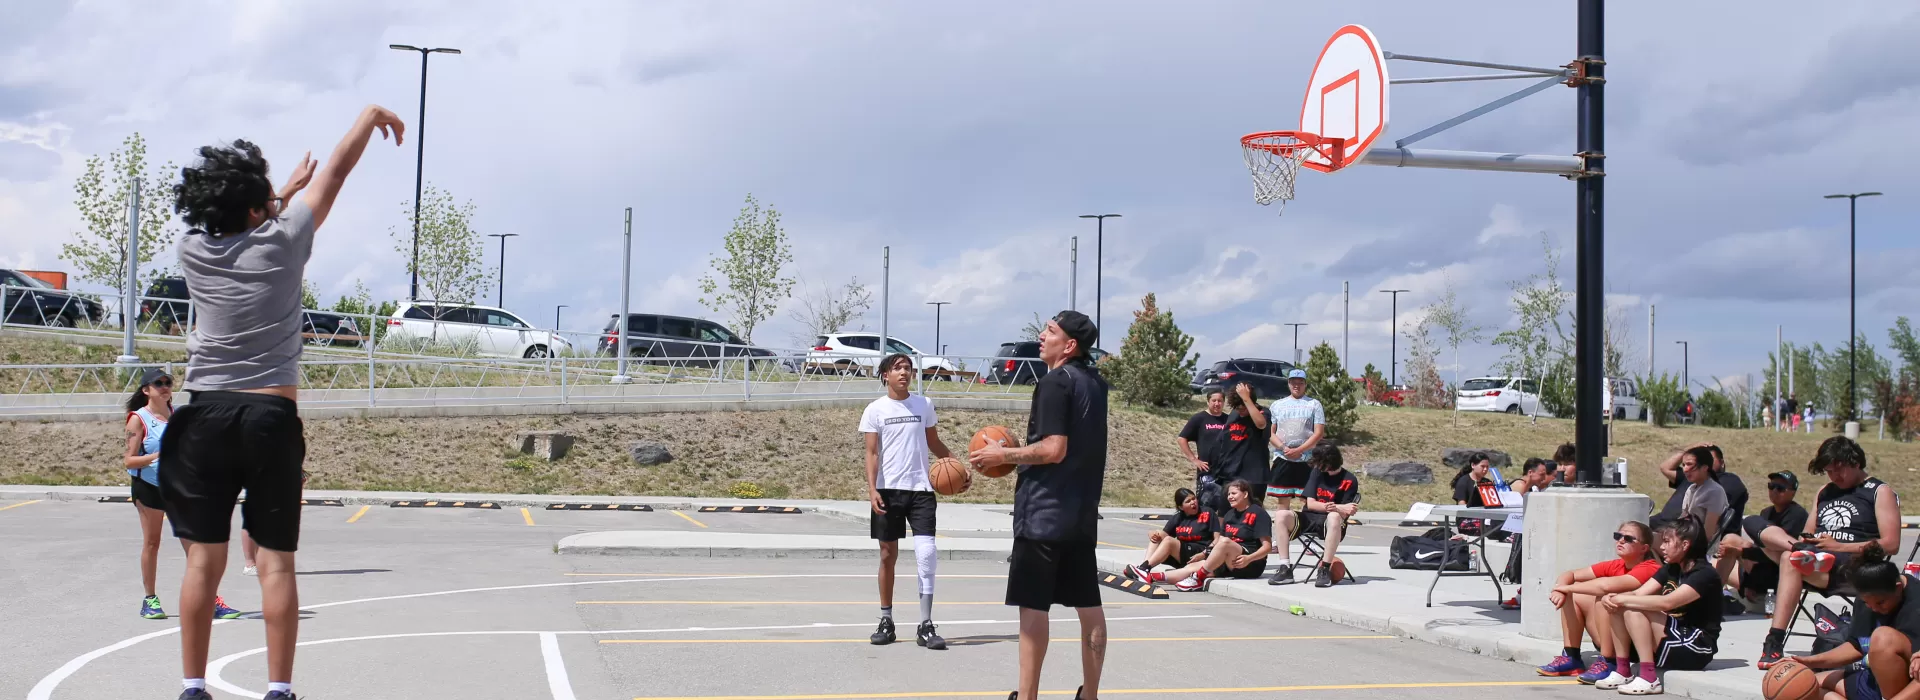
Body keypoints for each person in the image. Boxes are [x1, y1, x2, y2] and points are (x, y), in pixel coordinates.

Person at [164, 104, 404, 700]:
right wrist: (368, 115)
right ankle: (278, 689)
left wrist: (273, 194)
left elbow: (245, 213)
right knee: (276, 563)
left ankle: (193, 686)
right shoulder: (286, 239)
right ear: (257, 208)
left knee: (202, 564)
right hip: (269, 416)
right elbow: (337, 174)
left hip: (201, 415)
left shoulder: (190, 250)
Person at [969, 310, 1108, 700]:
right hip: (1081, 514)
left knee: (1033, 608)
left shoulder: (1054, 383)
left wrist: (1005, 454)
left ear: (1069, 346)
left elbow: (1053, 449)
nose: (1041, 336)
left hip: (1043, 514)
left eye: (1050, 331)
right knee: (1089, 606)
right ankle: (1090, 695)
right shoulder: (1096, 384)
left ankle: (1026, 696)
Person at [1758, 437, 1901, 669]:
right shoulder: (1825, 492)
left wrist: (1838, 546)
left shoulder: (1878, 491)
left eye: (1838, 470)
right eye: (1828, 471)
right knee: (1758, 528)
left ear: (1855, 462)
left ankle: (1773, 641)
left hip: (1856, 567)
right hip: (1817, 562)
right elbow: (1808, 531)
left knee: (1788, 559)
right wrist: (1809, 541)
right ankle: (1804, 557)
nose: (1834, 476)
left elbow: (1891, 544)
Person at [124, 368, 242, 622]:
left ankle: (211, 600)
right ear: (147, 390)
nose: (165, 387)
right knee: (152, 543)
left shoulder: (178, 416)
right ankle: (150, 600)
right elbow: (129, 461)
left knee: (196, 547)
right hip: (149, 487)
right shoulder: (138, 419)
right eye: (159, 383)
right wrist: (157, 456)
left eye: (168, 382)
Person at [862, 353, 956, 650]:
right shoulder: (874, 410)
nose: (904, 373)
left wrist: (956, 465)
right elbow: (872, 453)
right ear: (885, 375)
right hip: (888, 490)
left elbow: (933, 442)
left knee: (926, 554)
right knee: (888, 556)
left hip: (921, 490)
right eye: (897, 368)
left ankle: (926, 625)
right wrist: (872, 489)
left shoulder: (924, 405)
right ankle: (886, 620)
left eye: (908, 369)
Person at [1597, 517, 1723, 694]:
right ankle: (1623, 670)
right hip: (1673, 635)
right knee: (1620, 606)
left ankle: (1649, 678)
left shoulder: (1704, 574)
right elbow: (1638, 593)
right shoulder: (1672, 568)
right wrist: (1612, 598)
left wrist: (1623, 599)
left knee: (1632, 608)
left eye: (1666, 541)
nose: (1661, 547)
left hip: (1697, 645)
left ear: (1685, 544)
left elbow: (1668, 602)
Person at [1788, 543, 1920, 700]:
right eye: (1866, 603)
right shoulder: (1868, 597)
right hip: (1874, 679)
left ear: (1898, 588)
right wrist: (1808, 661)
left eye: (1880, 602)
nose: (1874, 608)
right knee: (1799, 687)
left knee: (1883, 637)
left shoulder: (1916, 602)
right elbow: (1856, 646)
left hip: (1909, 684)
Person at [1533, 521, 1660, 683]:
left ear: (1644, 548)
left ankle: (1609, 661)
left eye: (1628, 538)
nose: (1620, 541)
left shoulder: (1650, 568)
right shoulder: (1616, 565)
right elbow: (1570, 574)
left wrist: (1566, 588)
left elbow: (1605, 586)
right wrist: (1560, 588)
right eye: (1618, 536)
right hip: (1614, 637)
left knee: (1603, 597)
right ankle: (1571, 657)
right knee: (1575, 594)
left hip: (1638, 645)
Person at [1139, 480, 1272, 592]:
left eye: (1233, 493)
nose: (1230, 497)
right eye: (1228, 494)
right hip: (1229, 561)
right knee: (1190, 568)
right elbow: (1218, 543)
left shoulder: (1258, 513)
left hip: (1250, 563)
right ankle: (1150, 577)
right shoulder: (1230, 514)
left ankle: (1198, 578)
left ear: (1245, 494)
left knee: (1224, 542)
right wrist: (1204, 554)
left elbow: (1267, 547)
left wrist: (1249, 558)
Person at [1715, 471, 1808, 611]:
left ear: (1793, 492)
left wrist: (1742, 552)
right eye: (1772, 486)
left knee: (1738, 547)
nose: (1774, 491)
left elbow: (1776, 553)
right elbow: (1759, 549)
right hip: (1759, 570)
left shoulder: (1796, 515)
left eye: (1781, 488)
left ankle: (1716, 597)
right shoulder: (1766, 512)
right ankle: (1714, 596)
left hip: (1777, 574)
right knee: (1728, 542)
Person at [1279, 445, 1357, 588]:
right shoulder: (1316, 473)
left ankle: (1324, 569)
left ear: (1330, 462)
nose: (1316, 465)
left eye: (1320, 462)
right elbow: (1311, 504)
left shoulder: (1349, 480)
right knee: (1281, 515)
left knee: (1333, 516)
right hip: (1309, 517)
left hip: (1331, 524)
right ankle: (1285, 569)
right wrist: (1336, 506)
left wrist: (1336, 509)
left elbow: (1347, 512)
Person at [1264, 369, 1325, 512]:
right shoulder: (1277, 405)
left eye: (1300, 383)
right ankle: (1283, 531)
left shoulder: (1314, 404)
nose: (1297, 385)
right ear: (1288, 384)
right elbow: (1270, 432)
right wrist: (1284, 448)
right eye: (1293, 382)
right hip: (1283, 457)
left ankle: (1307, 528)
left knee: (1308, 499)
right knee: (1283, 500)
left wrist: (1299, 450)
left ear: (1305, 384)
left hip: (1307, 458)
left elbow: (1319, 433)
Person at [1125, 488, 1213, 581]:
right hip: (1183, 554)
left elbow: (1217, 538)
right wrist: (1152, 533)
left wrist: (1204, 553)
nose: (1193, 502)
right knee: (1157, 535)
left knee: (1169, 541)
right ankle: (1143, 568)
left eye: (1194, 499)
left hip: (1198, 553)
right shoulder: (1178, 517)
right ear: (1181, 507)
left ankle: (1144, 569)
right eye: (1188, 501)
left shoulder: (1207, 513)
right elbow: (1162, 534)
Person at [1214, 382, 1271, 511]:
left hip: (1253, 476)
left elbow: (1261, 424)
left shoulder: (1263, 412)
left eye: (1243, 408)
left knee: (1252, 515)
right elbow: (1224, 441)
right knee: (1224, 515)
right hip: (1230, 474)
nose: (1240, 412)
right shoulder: (1234, 415)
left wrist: (1246, 398)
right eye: (1237, 408)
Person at [1177, 389, 1229, 513]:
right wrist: (1194, 459)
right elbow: (1181, 439)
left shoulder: (1228, 419)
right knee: (1206, 505)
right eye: (1214, 400)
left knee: (1225, 505)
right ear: (1208, 402)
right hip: (1207, 470)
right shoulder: (1199, 418)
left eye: (1220, 401)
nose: (1217, 403)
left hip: (1226, 469)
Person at [1451, 452, 1494, 534]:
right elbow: (1462, 506)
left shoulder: (1487, 482)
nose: (1485, 469)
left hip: (1484, 518)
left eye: (1487, 467)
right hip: (1466, 520)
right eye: (1482, 466)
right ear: (1473, 465)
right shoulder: (1463, 482)